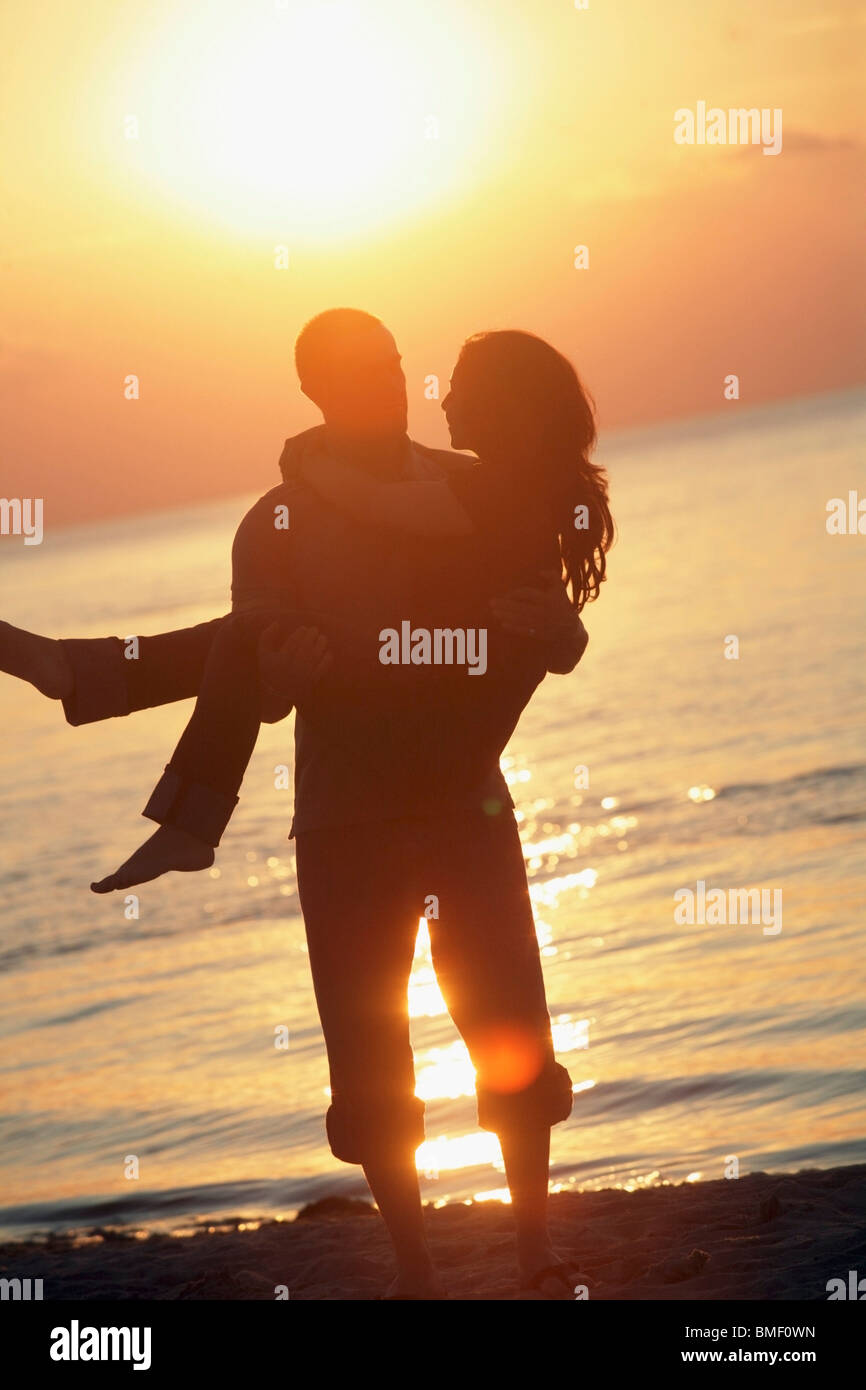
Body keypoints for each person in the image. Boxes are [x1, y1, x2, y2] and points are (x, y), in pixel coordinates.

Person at [0, 310, 609, 1299]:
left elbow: (531, 638)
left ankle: (534, 1250)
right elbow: (265, 691)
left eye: (390, 364)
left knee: (509, 1033)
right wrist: (288, 674)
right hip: (348, 816)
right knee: (372, 1063)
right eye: (351, 372)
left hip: (462, 802)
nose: (385, 383)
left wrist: (560, 635)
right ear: (314, 391)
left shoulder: (473, 491)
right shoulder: (277, 523)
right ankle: (416, 1274)